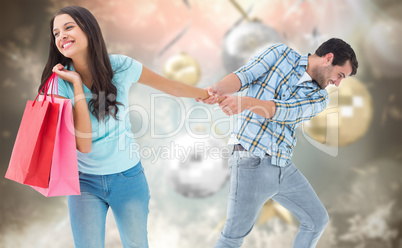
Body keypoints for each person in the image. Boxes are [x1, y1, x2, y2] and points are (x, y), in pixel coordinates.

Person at [39, 6, 208, 248]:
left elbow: (172, 87)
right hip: (84, 182)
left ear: (88, 29)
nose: (61, 36)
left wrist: (211, 95)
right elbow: (83, 145)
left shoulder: (121, 67)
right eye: (56, 33)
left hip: (128, 178)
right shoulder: (59, 83)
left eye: (68, 28)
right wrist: (76, 84)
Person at [199, 38, 358, 247]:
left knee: (317, 220)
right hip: (250, 161)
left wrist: (246, 103)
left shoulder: (320, 98)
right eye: (340, 75)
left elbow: (285, 111)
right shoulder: (279, 53)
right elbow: (244, 76)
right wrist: (218, 88)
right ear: (328, 59)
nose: (337, 83)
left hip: (283, 167)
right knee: (232, 238)